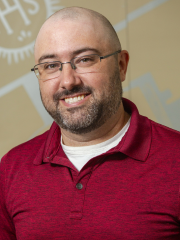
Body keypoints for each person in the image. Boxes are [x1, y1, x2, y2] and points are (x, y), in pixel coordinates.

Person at [0, 7, 180, 240]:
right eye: (51, 65)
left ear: (121, 65)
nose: (68, 81)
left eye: (84, 59)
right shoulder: (12, 168)